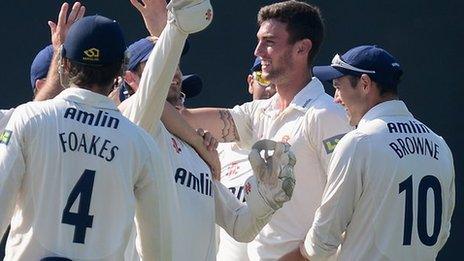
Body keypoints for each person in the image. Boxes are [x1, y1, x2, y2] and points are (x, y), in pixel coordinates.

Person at [173, 1, 353, 259]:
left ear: (302, 48)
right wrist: (166, 34)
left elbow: (346, 206)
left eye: (269, 42)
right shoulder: (258, 112)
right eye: (259, 41)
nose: (258, 51)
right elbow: (184, 118)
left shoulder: (325, 115)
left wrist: (301, 256)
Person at [118, 0, 297, 260]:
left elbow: (240, 226)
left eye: (177, 65)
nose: (176, 72)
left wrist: (268, 199)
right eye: (163, 63)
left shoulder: (198, 155)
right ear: (131, 79)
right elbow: (150, 97)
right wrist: (174, 29)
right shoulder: (134, 123)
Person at [0, 11, 180, 260]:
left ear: (63, 62)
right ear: (121, 68)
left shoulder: (29, 119)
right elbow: (159, 251)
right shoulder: (141, 144)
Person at [280, 45, 456, 260]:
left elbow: (322, 242)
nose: (335, 98)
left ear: (364, 84)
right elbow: (442, 234)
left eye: (338, 86)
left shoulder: (359, 142)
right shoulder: (440, 145)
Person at [216, 56, 276, 261]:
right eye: (264, 79)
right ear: (251, 82)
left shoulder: (296, 142)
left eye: (278, 81)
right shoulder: (221, 149)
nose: (272, 89)